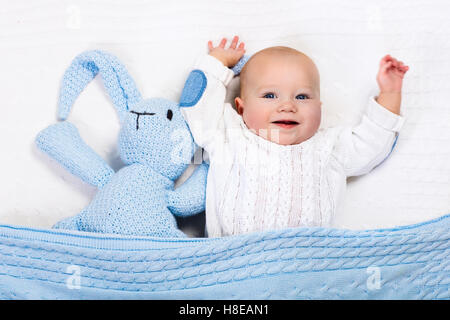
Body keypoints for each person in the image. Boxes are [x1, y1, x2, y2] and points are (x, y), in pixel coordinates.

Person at [180, 36, 409, 237]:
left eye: (302, 96)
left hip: (306, 264)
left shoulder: (328, 147)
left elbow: (371, 145)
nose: (287, 105)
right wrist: (217, 64)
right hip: (234, 260)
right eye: (270, 95)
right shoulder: (230, 136)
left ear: (320, 108)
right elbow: (197, 112)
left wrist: (390, 94)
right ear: (241, 109)